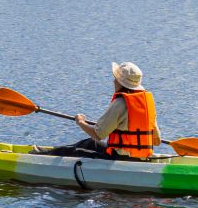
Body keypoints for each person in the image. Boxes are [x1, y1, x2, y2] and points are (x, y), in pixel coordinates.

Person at [32, 62, 164, 161]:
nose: (113, 81)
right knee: (89, 143)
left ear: (121, 83)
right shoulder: (147, 105)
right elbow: (156, 141)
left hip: (119, 159)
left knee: (75, 151)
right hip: (141, 158)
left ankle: (37, 157)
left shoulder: (120, 103)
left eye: (116, 79)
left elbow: (97, 134)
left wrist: (80, 122)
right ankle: (42, 151)